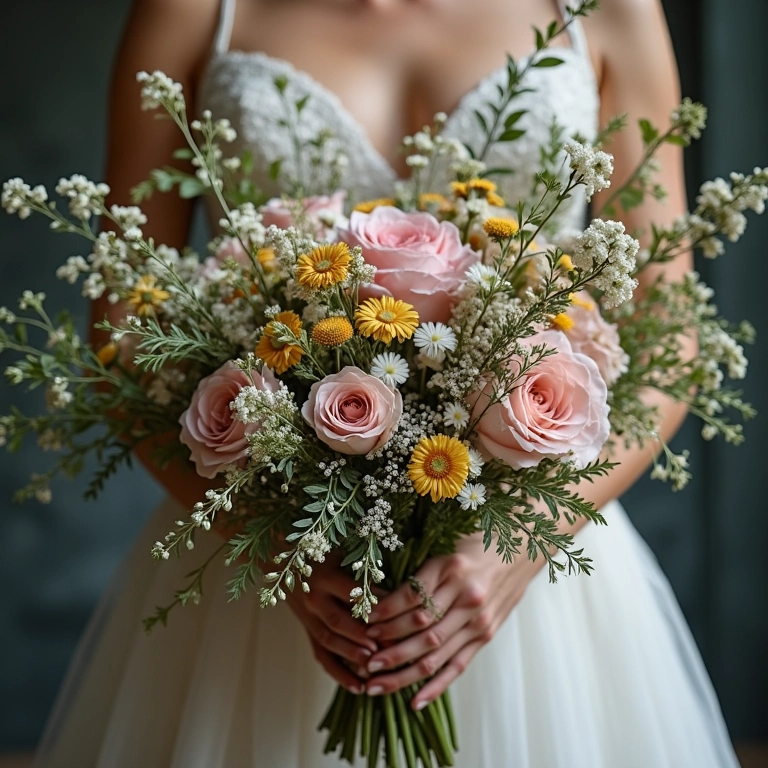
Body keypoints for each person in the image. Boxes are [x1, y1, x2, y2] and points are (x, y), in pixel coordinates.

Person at [32, 0, 742, 765]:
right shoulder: (194, 10)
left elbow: (669, 331)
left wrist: (524, 541)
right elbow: (121, 338)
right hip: (277, 574)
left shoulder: (608, 10)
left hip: (516, 573)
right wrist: (271, 544)